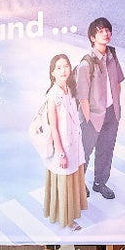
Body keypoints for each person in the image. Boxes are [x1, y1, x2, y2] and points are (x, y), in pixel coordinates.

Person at [76, 15, 125, 199]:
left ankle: (100, 183)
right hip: (92, 116)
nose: (106, 33)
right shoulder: (86, 63)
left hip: (111, 113)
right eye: (101, 31)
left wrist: (116, 107)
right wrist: (89, 118)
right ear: (92, 37)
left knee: (106, 150)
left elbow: (118, 82)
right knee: (84, 152)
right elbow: (83, 97)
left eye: (107, 30)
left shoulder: (112, 55)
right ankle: (78, 185)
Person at [35, 53, 86, 229]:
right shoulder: (53, 96)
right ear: (52, 73)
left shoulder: (69, 89)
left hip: (73, 143)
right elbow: (54, 128)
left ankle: (70, 213)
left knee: (72, 181)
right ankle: (67, 220)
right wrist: (61, 154)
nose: (63, 70)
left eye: (66, 66)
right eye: (59, 68)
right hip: (63, 147)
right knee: (64, 183)